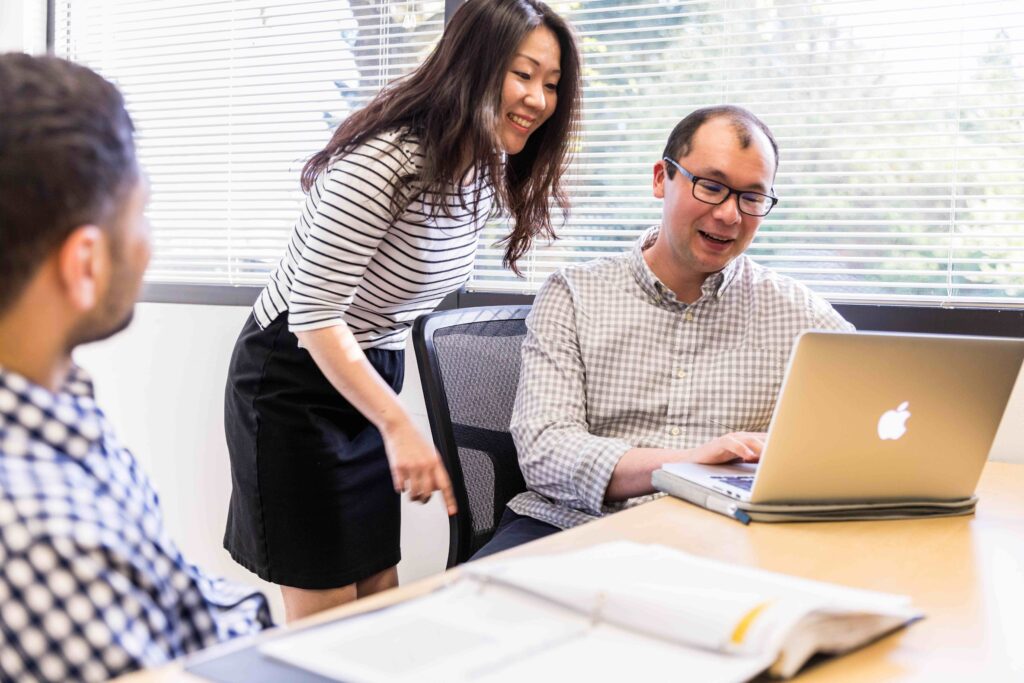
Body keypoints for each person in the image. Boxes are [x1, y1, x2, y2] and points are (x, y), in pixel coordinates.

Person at [222, 0, 582, 621]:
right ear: (475, 65)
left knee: (378, 593)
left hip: (365, 371)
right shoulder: (384, 163)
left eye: (551, 84)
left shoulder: (479, 167)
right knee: (326, 617)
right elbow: (314, 317)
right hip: (293, 382)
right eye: (523, 74)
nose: (538, 99)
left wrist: (385, 415)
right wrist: (397, 425)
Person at [473, 106, 855, 558]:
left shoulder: (802, 316)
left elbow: (865, 431)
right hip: (569, 526)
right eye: (711, 187)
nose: (730, 215)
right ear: (661, 179)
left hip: (719, 538)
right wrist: (687, 462)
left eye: (752, 198)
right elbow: (545, 451)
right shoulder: (574, 294)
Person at [0, 53, 271, 682]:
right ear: (85, 263)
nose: (148, 243)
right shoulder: (43, 541)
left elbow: (176, 588)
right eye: (140, 215)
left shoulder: (58, 407)